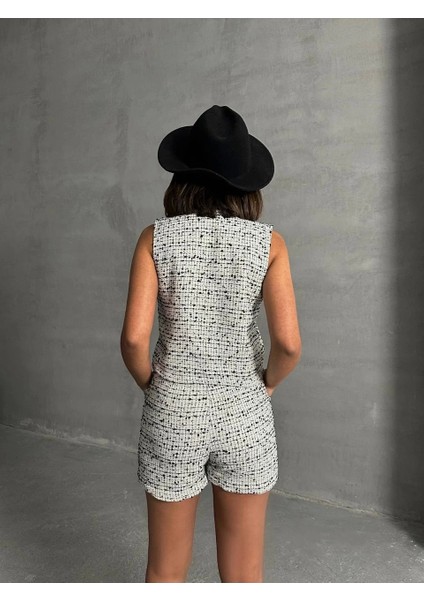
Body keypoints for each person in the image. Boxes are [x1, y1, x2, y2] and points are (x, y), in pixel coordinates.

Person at [120, 105, 302, 583]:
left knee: (164, 572)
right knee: (244, 575)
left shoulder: (155, 239)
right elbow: (288, 344)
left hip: (172, 409)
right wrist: (266, 386)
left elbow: (134, 338)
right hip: (244, 410)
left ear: (181, 178)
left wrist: (153, 386)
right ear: (248, 184)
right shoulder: (270, 245)